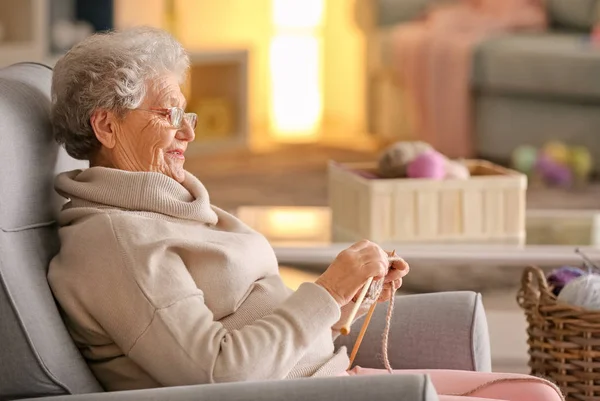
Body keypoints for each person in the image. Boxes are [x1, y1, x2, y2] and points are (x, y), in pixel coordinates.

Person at [47, 27, 563, 401]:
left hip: (330, 376)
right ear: (107, 127)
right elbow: (218, 373)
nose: (188, 133)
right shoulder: (116, 242)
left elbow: (263, 327)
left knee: (536, 392)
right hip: (309, 395)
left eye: (187, 114)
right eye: (167, 115)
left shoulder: (166, 204)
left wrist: (345, 307)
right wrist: (328, 289)